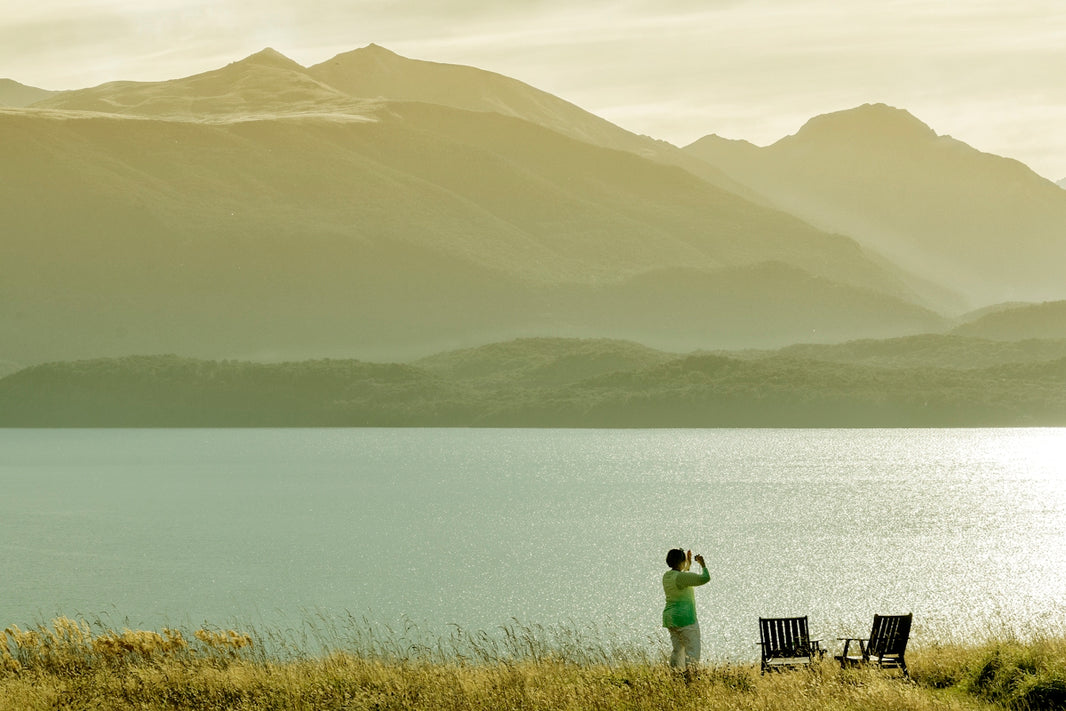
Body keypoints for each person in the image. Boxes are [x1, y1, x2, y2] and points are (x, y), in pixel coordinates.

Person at [662, 548, 709, 673]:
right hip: (686, 618)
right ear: (681, 562)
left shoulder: (667, 576)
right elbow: (705, 578)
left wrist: (687, 563)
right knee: (692, 650)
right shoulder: (681, 577)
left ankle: (675, 676)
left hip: (671, 618)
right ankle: (691, 678)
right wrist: (703, 565)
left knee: (678, 650)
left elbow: (682, 577)